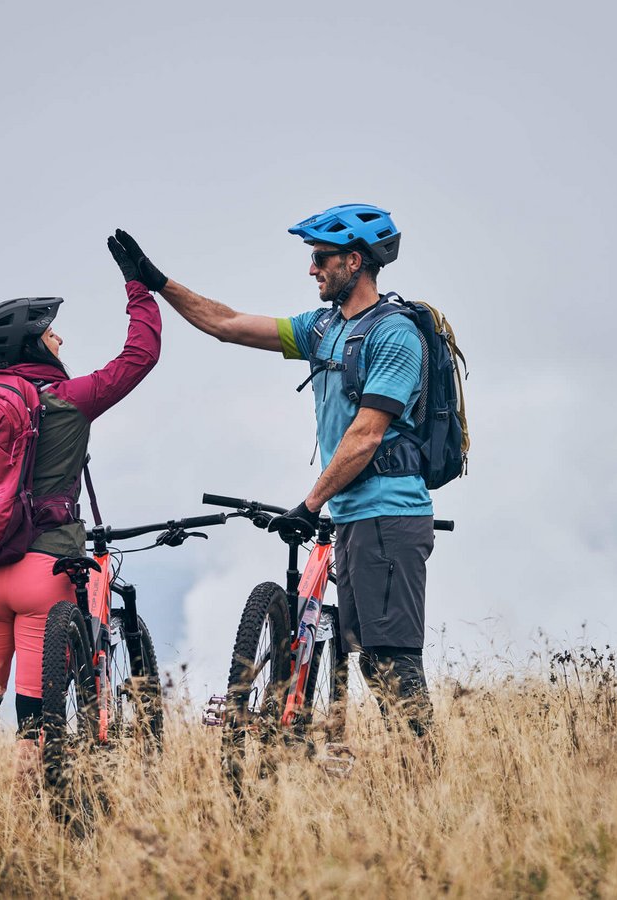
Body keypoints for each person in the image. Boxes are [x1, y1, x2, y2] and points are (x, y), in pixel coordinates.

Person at [105, 204, 437, 747]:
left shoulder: (395, 336)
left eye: (321, 258)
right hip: (357, 517)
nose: (312, 269)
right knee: (374, 663)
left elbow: (366, 437)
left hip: (390, 516)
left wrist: (309, 504)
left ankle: (432, 787)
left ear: (355, 261)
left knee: (394, 667)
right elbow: (228, 325)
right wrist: (156, 281)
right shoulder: (324, 328)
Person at [0, 258, 161, 795]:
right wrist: (140, 288)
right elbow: (140, 355)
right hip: (46, 571)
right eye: (49, 332)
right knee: (37, 724)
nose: (58, 337)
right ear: (33, 346)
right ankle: (28, 836)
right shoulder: (68, 401)